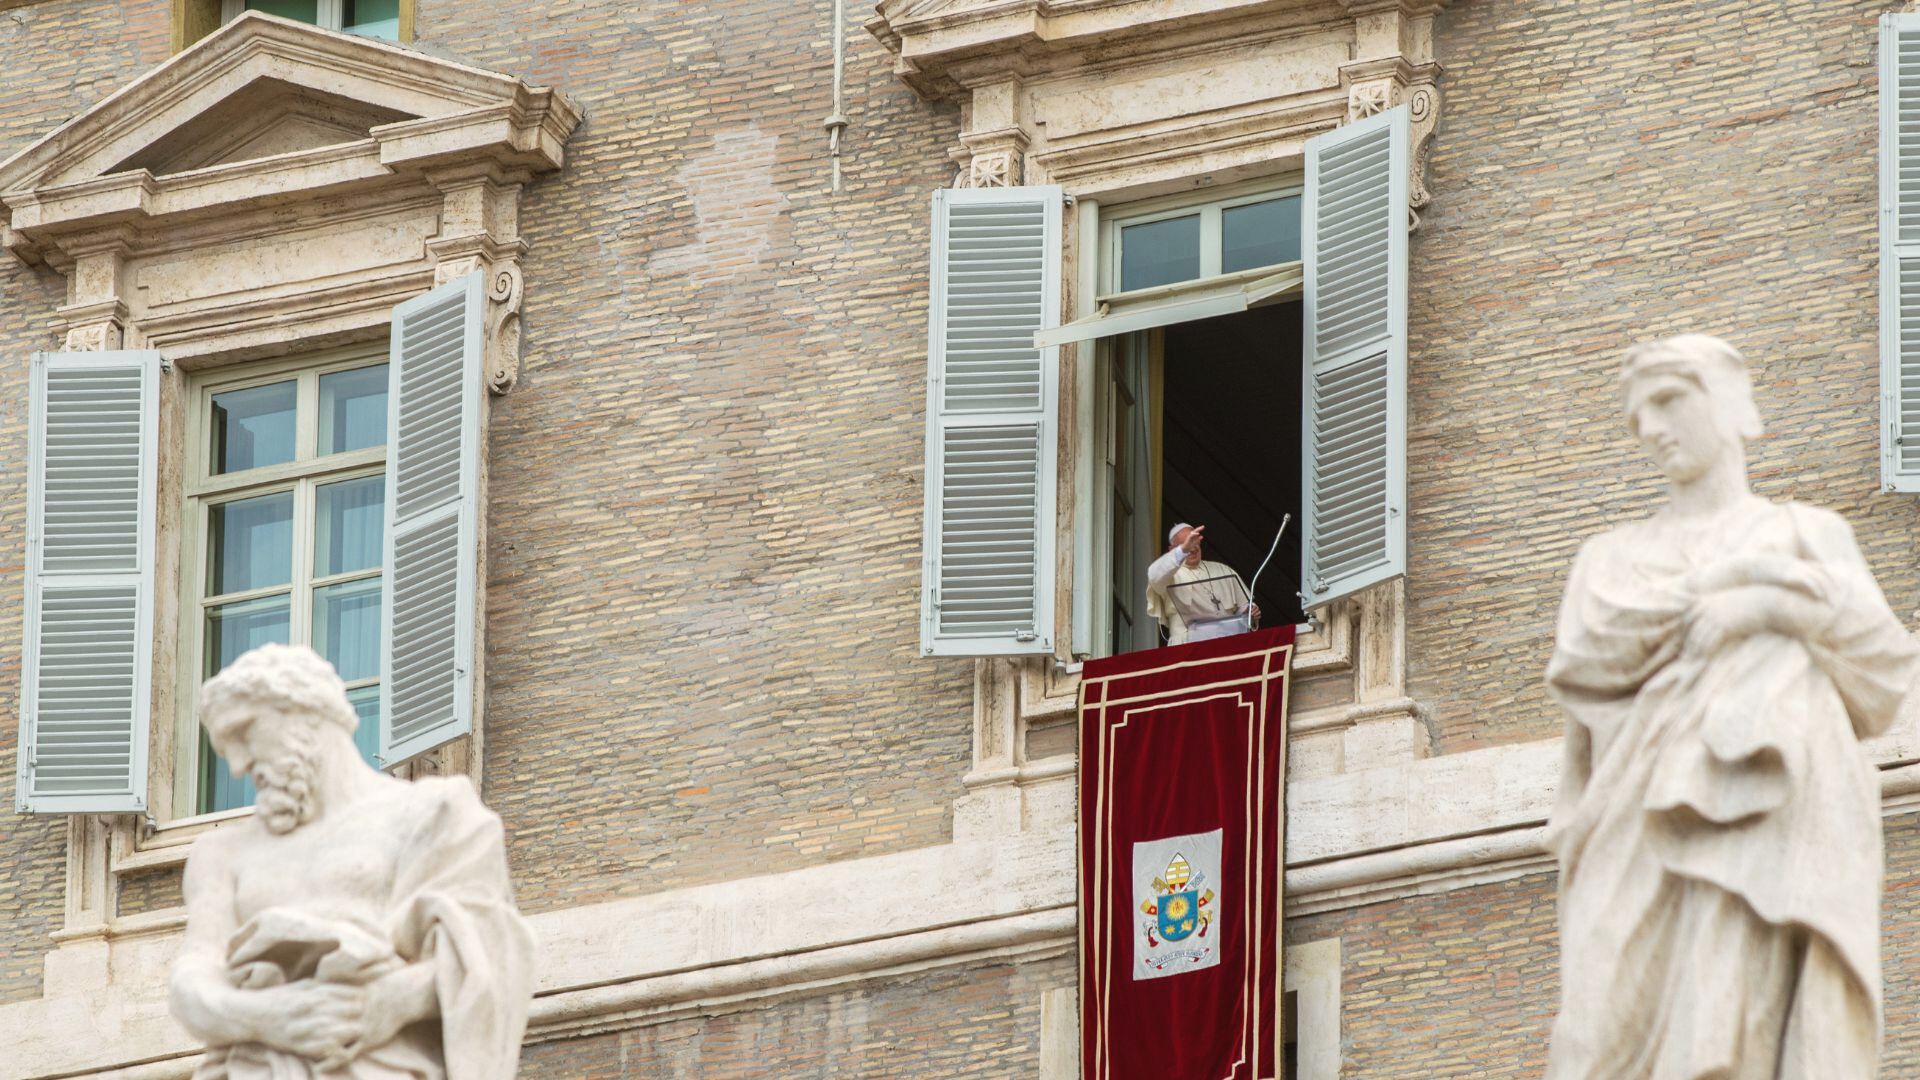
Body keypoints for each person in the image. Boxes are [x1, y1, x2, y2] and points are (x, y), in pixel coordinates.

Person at [1544, 334, 1919, 1078]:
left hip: (1775, 825)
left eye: (1668, 401)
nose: (1651, 428)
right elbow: (1586, 681)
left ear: (1726, 402)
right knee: (1592, 1035)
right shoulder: (1608, 561)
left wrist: (1764, 605)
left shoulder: (1805, 535)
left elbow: (1883, 673)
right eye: (1637, 416)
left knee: (1742, 1033)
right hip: (1634, 825)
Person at [170, 644, 534, 1080]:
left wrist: (394, 1001)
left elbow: (493, 953)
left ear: (304, 712)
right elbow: (192, 980)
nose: (238, 766)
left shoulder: (434, 813)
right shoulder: (221, 853)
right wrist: (268, 1018)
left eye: (244, 733)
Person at [1146, 522, 1259, 645]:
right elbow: (1153, 575)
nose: (1192, 548)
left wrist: (1248, 614)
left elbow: (1242, 609)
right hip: (1187, 645)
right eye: (1186, 543)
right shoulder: (1168, 575)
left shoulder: (1222, 569)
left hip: (1228, 642)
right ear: (1172, 549)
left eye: (1194, 541)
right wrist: (1183, 550)